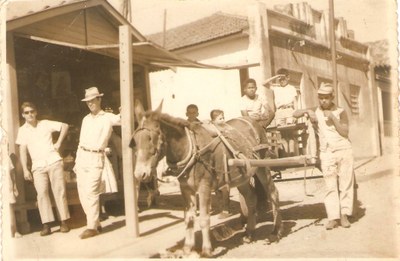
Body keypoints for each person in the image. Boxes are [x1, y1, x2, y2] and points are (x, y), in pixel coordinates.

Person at [293, 82, 354, 230]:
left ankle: (344, 214)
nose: (323, 101)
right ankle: (333, 217)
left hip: (343, 150)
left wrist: (333, 118)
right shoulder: (316, 110)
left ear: (332, 97)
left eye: (326, 98)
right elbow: (295, 114)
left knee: (345, 184)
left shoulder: (341, 111)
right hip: (326, 152)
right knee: (330, 185)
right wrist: (307, 110)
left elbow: (345, 132)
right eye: (321, 98)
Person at [16, 102, 70, 236]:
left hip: (53, 161)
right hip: (38, 166)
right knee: (41, 194)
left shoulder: (45, 123)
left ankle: (63, 221)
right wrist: (25, 169)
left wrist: (58, 143)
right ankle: (47, 224)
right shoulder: (22, 130)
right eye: (27, 112)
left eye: (32, 111)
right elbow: (22, 150)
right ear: (23, 115)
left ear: (36, 112)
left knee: (59, 191)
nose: (30, 114)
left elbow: (65, 126)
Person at [74, 87, 120, 239]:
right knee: (82, 192)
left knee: (92, 192)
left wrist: (124, 110)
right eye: (87, 101)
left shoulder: (108, 117)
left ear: (99, 99)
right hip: (82, 156)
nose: (90, 104)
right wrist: (77, 160)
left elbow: (123, 120)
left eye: (93, 100)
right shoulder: (85, 119)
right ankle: (95, 223)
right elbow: (81, 141)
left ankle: (91, 227)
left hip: (96, 157)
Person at [210, 109, 231, 219]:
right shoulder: (212, 129)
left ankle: (226, 209)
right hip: (216, 160)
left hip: (224, 159)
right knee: (217, 186)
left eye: (223, 118)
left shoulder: (226, 127)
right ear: (213, 121)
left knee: (224, 183)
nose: (223, 120)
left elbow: (231, 132)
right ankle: (221, 207)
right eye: (220, 118)